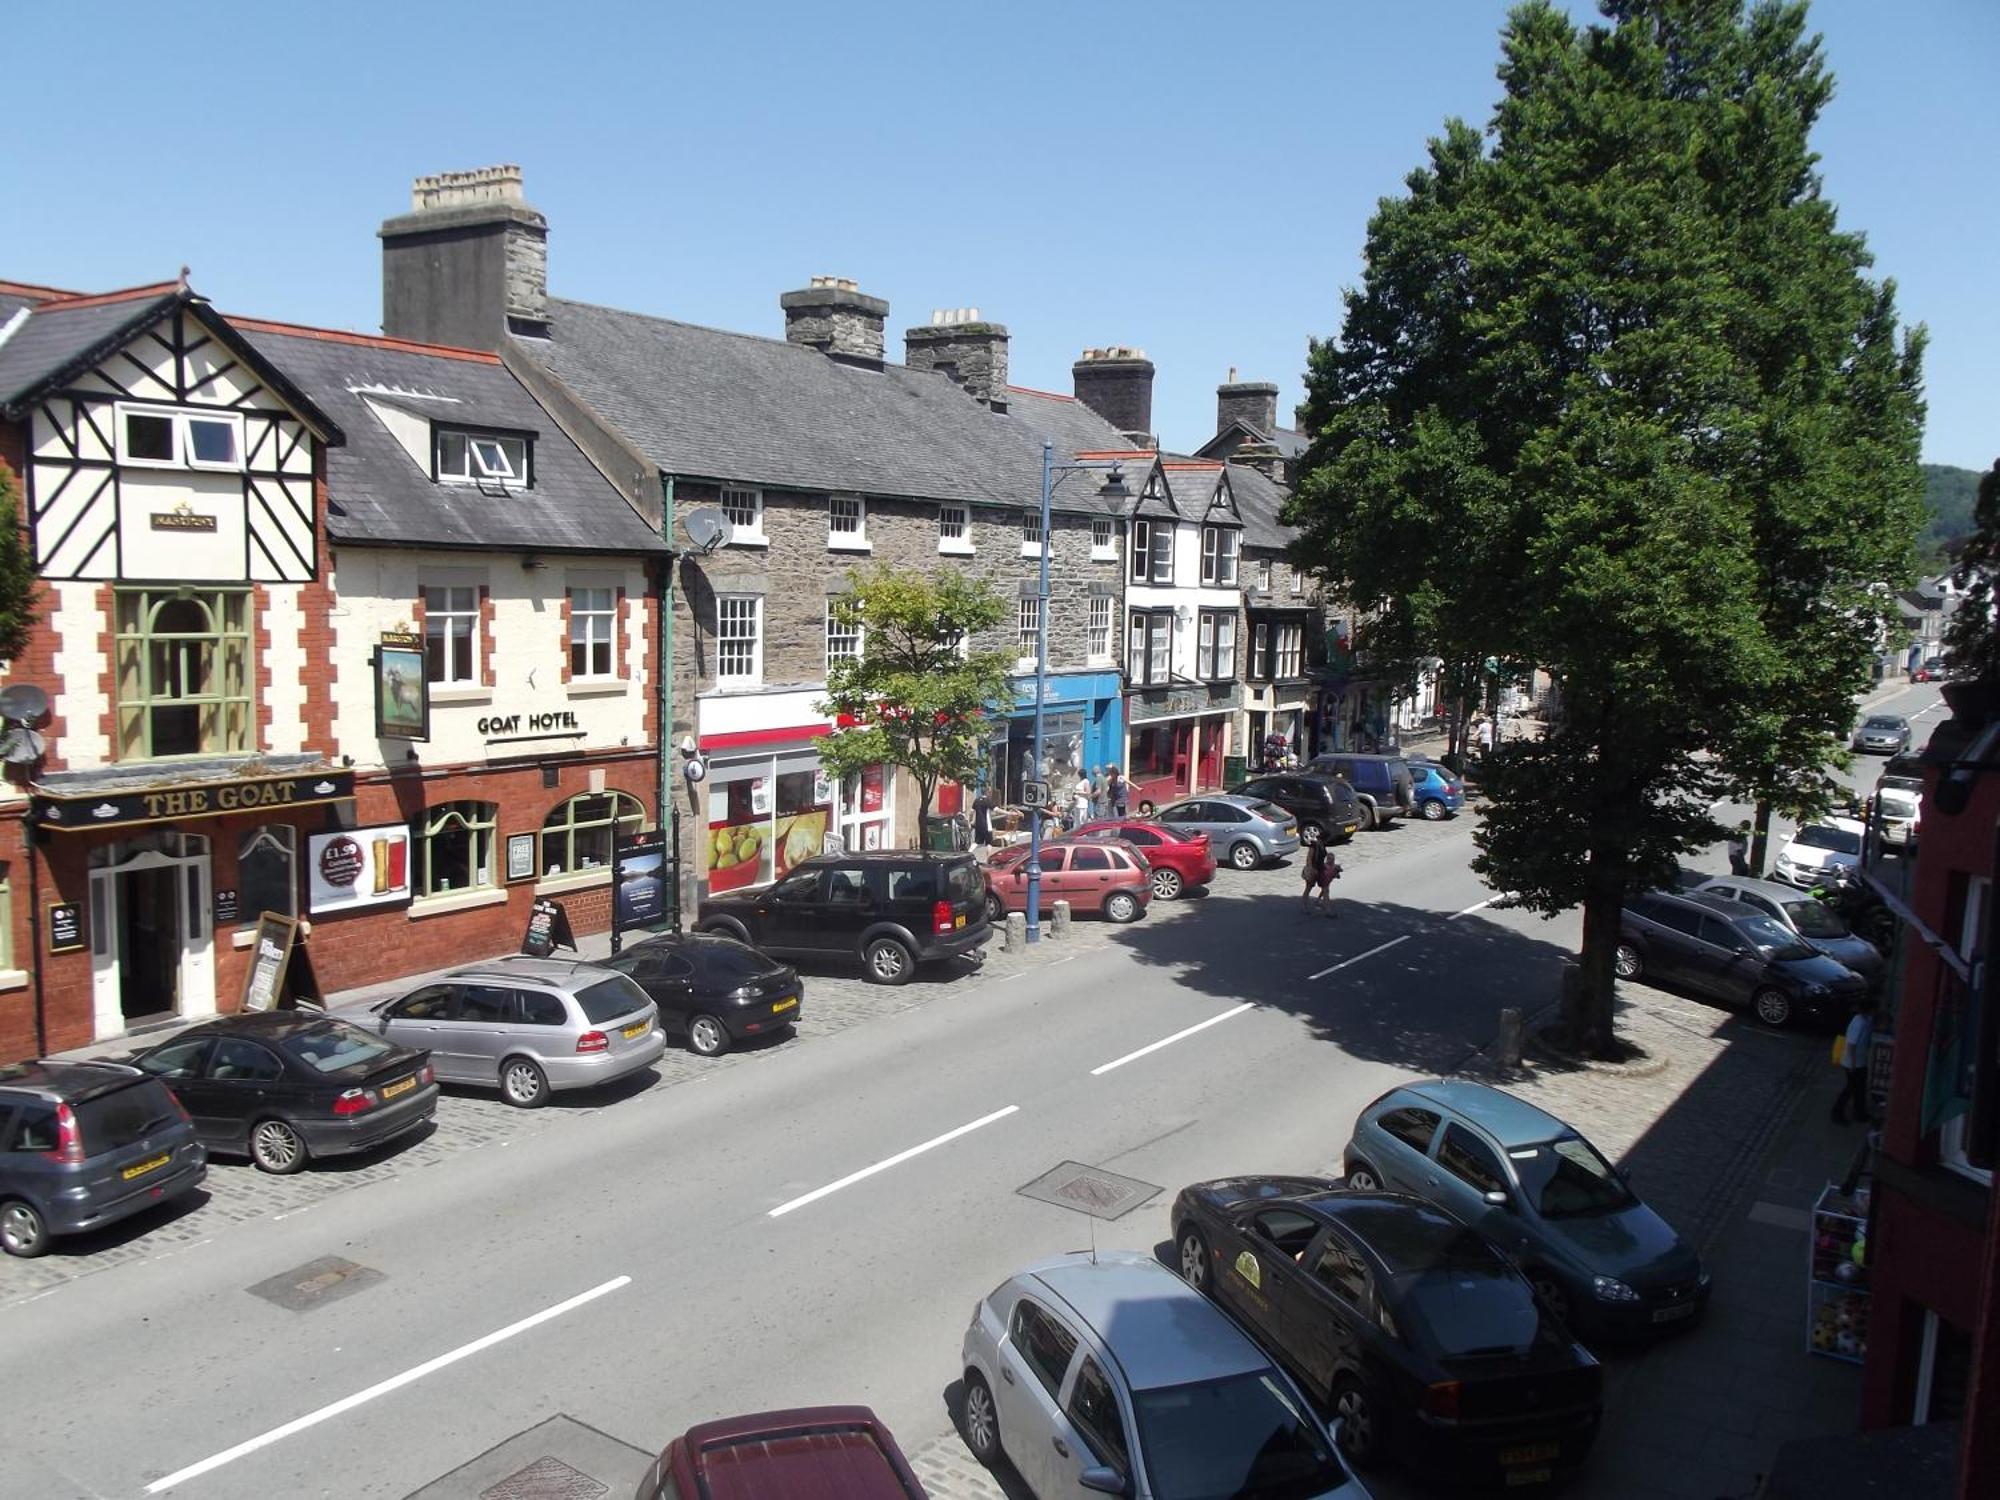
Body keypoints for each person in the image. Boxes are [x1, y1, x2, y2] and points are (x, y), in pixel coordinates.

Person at [1831, 995, 1877, 1125]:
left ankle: (1859, 1113)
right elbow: (1851, 1044)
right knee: (1851, 1088)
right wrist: (1851, 1064)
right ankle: (1838, 1112)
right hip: (1853, 1062)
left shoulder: (1866, 1020)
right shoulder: (1859, 1022)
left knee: (1859, 1089)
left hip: (1860, 1061)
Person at [1299, 837, 1341, 915]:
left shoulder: (1322, 845)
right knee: (1308, 888)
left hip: (1321, 869)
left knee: (1325, 889)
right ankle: (1304, 907)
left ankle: (1328, 910)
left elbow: (1324, 858)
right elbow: (1309, 858)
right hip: (1313, 870)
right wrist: (1310, 870)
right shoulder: (1314, 845)